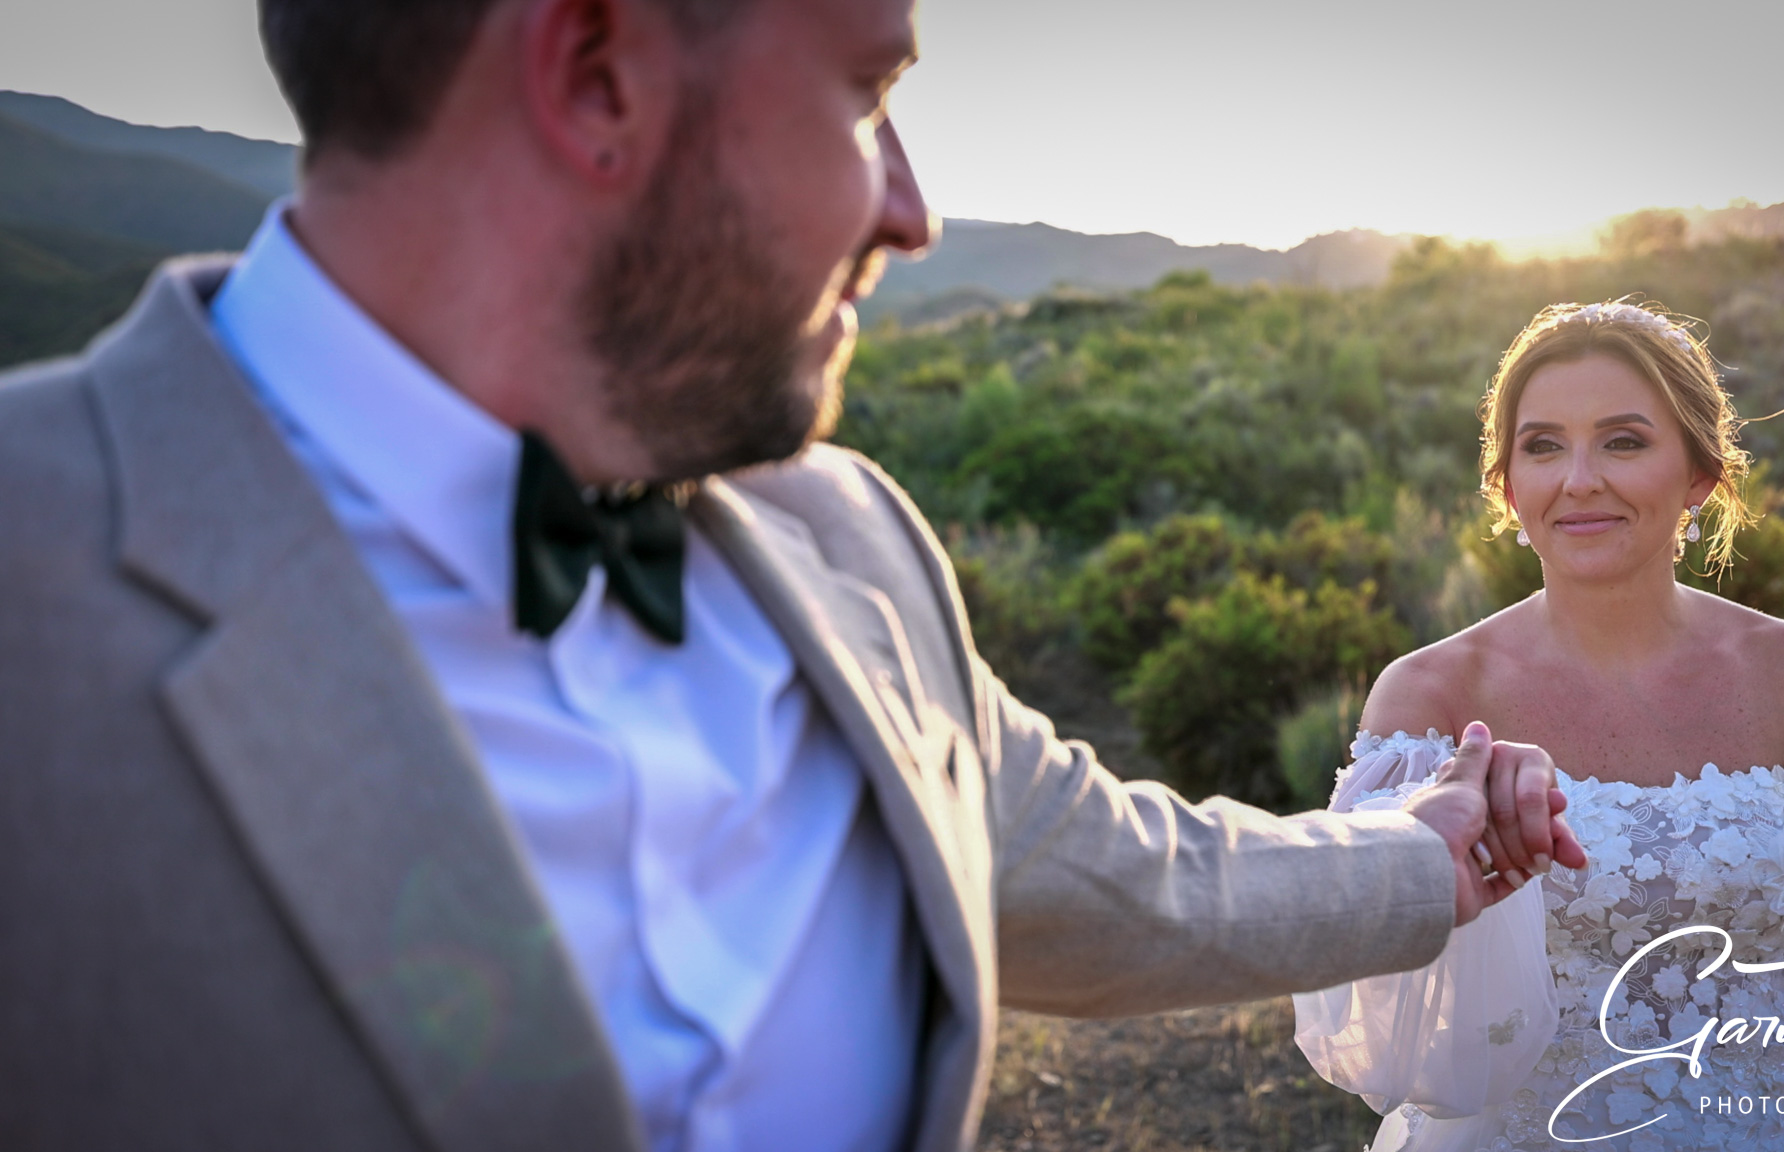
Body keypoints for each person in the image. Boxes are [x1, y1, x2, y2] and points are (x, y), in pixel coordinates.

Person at [0, 0, 1586, 1149]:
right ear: (595, 72)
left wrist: (1424, 856)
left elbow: (1106, 871)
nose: (912, 205)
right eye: (863, 91)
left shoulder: (843, 540)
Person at [1294, 301, 1784, 1151]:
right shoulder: (1429, 699)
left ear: (1699, 474)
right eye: (1542, 445)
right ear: (1506, 484)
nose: (1579, 478)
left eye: (1623, 441)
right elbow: (1373, 1009)